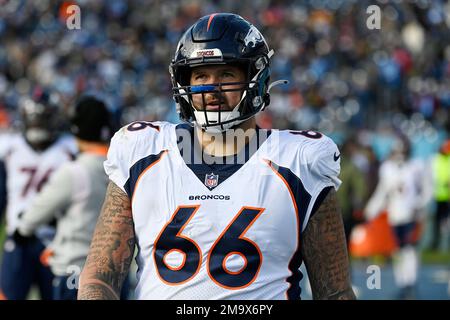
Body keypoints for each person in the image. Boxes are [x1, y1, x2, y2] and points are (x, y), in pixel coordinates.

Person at [78, 13, 355, 300]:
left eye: (226, 74)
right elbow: (101, 274)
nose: (212, 87)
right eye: (200, 75)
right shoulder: (142, 153)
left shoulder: (299, 161)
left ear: (256, 79)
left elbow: (334, 291)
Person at [15, 96, 116, 300]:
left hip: (76, 270)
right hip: (115, 272)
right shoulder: (122, 166)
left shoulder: (74, 171)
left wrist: (22, 230)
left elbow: (32, 218)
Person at [0, 87, 78, 300]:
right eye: (34, 118)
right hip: (18, 238)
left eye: (43, 118)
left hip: (57, 239)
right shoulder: (9, 147)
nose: (38, 124)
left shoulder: (69, 148)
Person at [364, 137, 432, 299]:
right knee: (397, 250)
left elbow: (427, 189)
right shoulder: (387, 169)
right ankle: (402, 283)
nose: (400, 155)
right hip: (394, 215)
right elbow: (383, 192)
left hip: (412, 215)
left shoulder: (417, 167)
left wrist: (419, 205)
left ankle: (410, 282)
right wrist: (371, 210)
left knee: (409, 249)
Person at [430, 139, 450, 251]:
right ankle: (435, 243)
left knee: (446, 223)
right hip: (437, 196)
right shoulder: (435, 160)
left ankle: (445, 245)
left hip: (447, 196)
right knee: (436, 222)